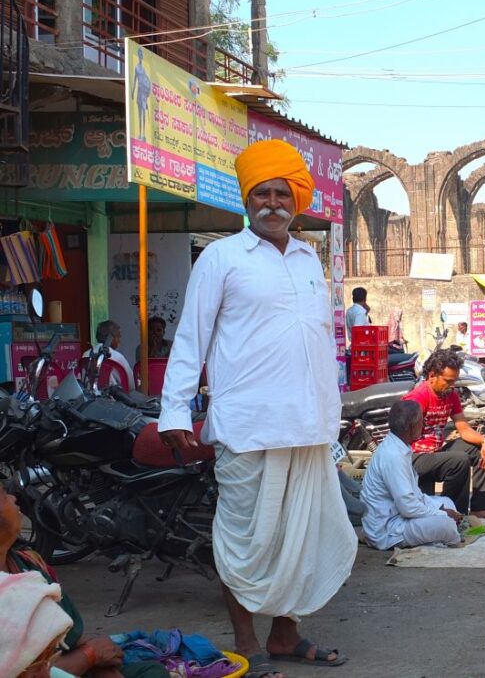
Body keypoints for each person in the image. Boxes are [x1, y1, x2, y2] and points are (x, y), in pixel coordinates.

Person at [158, 139, 357, 675]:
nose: (273, 202)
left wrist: (333, 412)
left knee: (304, 535)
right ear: (247, 200)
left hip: (310, 423)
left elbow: (318, 339)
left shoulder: (308, 259)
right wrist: (175, 411)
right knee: (245, 539)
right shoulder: (222, 257)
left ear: (295, 199)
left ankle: (285, 637)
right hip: (248, 424)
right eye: (262, 193)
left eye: (281, 192)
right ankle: (245, 645)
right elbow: (191, 339)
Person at [0, 483, 167, 678]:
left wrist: (99, 658)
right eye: (4, 496)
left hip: (62, 666)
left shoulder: (30, 563)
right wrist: (90, 656)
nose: (14, 499)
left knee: (151, 672)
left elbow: (68, 637)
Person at [402, 349, 485, 518]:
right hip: (414, 457)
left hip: (435, 453)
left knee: (480, 450)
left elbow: (463, 428)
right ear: (432, 375)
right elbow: (402, 440)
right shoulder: (417, 398)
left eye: (454, 381)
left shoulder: (451, 395)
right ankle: (456, 512)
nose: (452, 385)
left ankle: (481, 506)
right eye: (448, 381)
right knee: (458, 460)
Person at [361, 400, 462, 550]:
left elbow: (415, 495)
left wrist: (441, 508)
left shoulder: (398, 447)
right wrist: (441, 514)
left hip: (400, 516)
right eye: (421, 422)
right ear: (412, 427)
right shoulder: (394, 455)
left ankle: (439, 534)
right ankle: (448, 538)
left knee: (446, 502)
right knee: (446, 525)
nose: (423, 425)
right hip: (387, 529)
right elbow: (408, 507)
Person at [83, 320, 136, 391]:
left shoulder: (86, 355)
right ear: (111, 338)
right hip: (114, 400)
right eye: (118, 336)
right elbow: (132, 385)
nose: (119, 341)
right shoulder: (117, 357)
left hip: (90, 399)